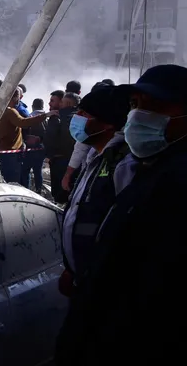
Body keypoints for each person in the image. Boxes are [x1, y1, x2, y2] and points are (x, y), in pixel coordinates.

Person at [55, 65, 187, 365]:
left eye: (155, 106)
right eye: (136, 105)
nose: (139, 115)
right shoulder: (147, 166)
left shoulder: (161, 176)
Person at [55, 87, 131, 299]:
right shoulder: (95, 156)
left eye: (84, 115)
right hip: (82, 276)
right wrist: (72, 268)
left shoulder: (124, 165)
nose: (75, 119)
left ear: (107, 124)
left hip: (103, 288)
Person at [0, 87, 53, 183]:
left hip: (3, 149)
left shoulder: (0, 109)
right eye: (18, 97)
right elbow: (23, 122)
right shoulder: (11, 111)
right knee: (13, 180)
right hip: (11, 152)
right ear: (15, 98)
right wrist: (45, 115)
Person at [44, 91, 79, 203]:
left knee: (59, 195)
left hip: (59, 161)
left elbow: (50, 138)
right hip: (76, 161)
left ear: (68, 103)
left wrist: (49, 155)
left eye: (62, 102)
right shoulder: (81, 117)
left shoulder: (57, 117)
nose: (60, 104)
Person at [21, 97, 47, 191]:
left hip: (30, 148)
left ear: (32, 106)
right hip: (42, 148)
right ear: (43, 106)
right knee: (37, 171)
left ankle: (25, 190)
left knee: (25, 170)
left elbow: (24, 131)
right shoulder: (47, 117)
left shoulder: (30, 117)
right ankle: (38, 190)